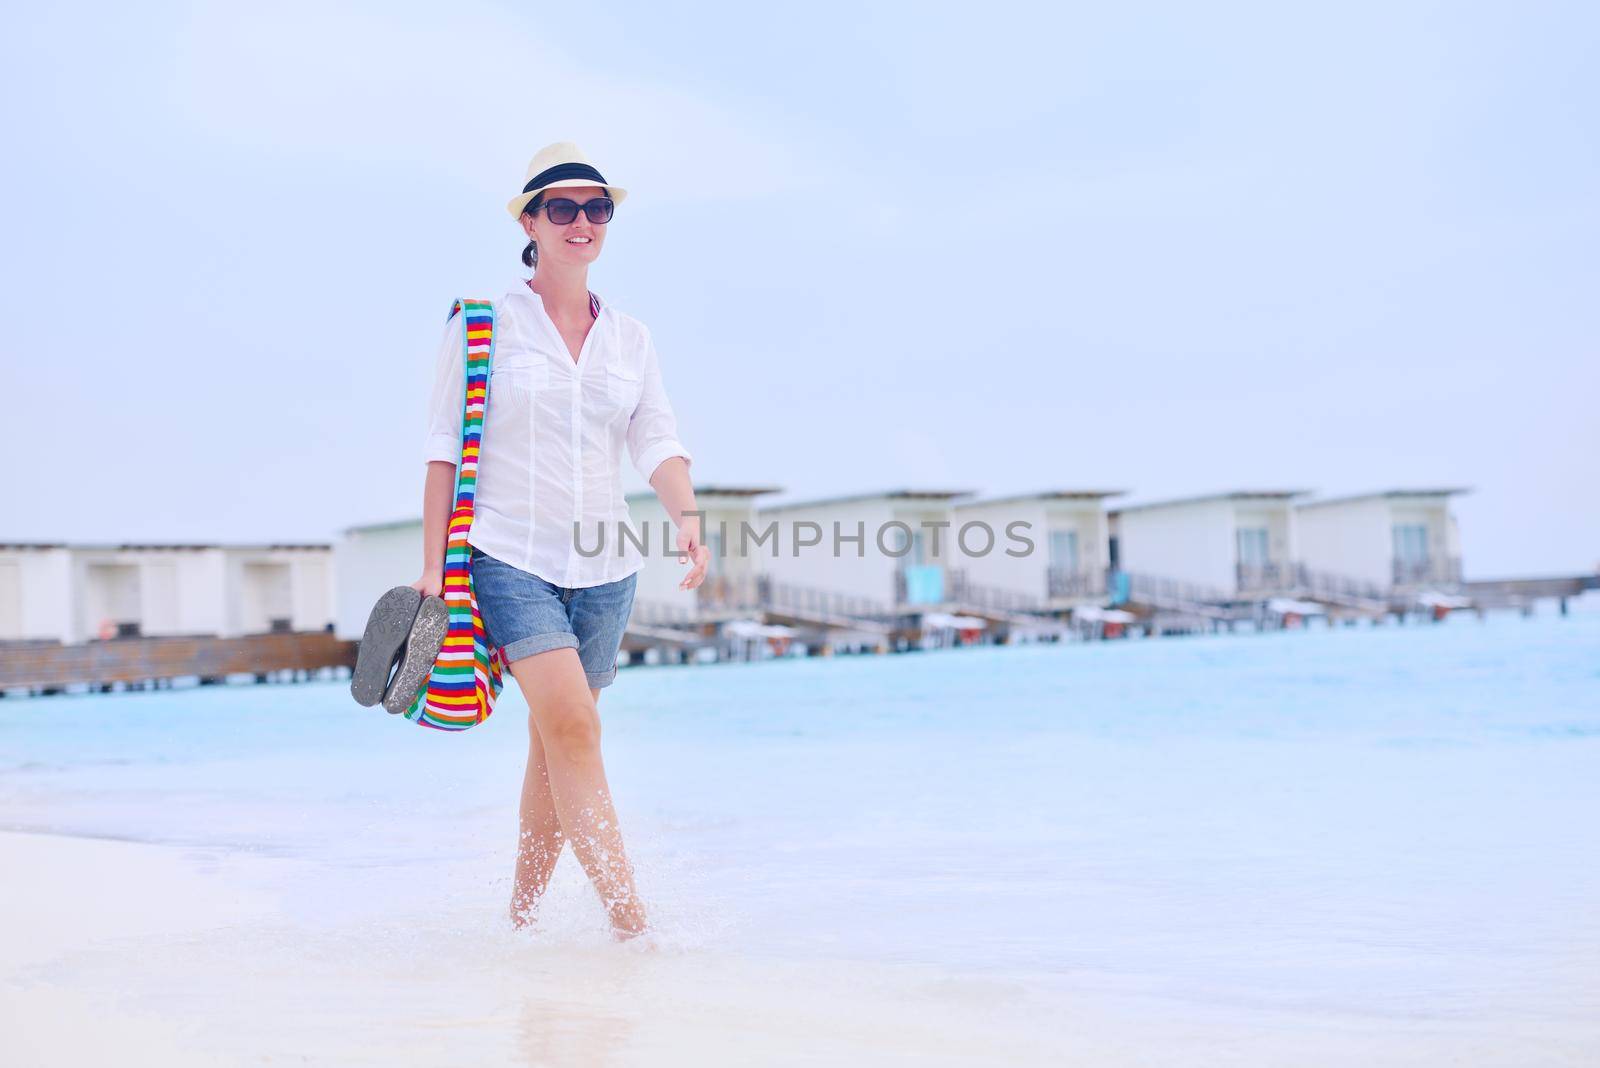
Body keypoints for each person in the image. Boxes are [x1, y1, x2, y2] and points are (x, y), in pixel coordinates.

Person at [413, 142, 708, 939]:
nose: (582, 222)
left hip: (608, 568)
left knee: (556, 740)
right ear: (531, 223)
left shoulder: (632, 339)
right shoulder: (485, 325)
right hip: (509, 556)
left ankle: (522, 924)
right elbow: (443, 446)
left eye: (597, 208)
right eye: (563, 208)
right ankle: (632, 926)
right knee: (576, 729)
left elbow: (656, 436)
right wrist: (435, 570)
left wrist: (687, 516)